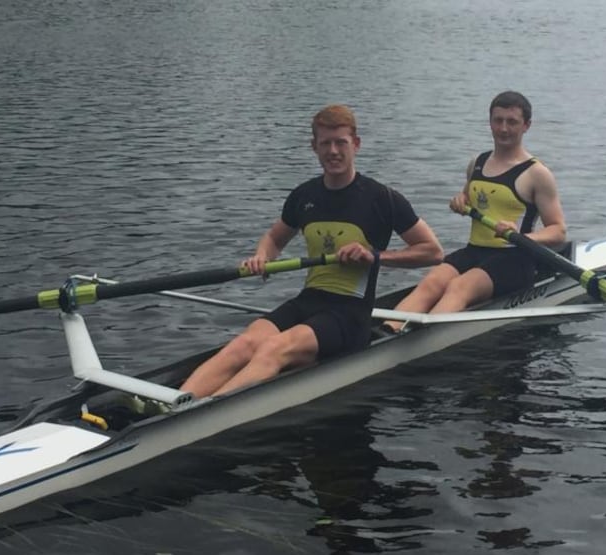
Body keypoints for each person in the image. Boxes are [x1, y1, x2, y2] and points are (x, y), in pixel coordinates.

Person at [181, 104, 443, 398]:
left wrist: (376, 256)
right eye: (325, 143)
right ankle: (174, 403)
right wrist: (262, 257)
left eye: (340, 142)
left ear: (355, 144)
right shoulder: (304, 196)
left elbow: (432, 252)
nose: (333, 151)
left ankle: (201, 415)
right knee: (244, 343)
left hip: (349, 315)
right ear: (314, 147)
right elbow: (274, 238)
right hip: (309, 302)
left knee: (273, 349)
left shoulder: (382, 198)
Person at [383, 91, 566, 333]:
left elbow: (558, 231)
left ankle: (422, 337)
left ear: (526, 126)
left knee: (460, 287)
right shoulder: (477, 163)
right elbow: (469, 198)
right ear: (490, 122)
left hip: (514, 258)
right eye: (498, 120)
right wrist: (460, 201)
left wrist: (521, 236)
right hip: (475, 251)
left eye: (512, 122)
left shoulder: (537, 174)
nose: (503, 129)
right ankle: (387, 332)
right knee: (432, 282)